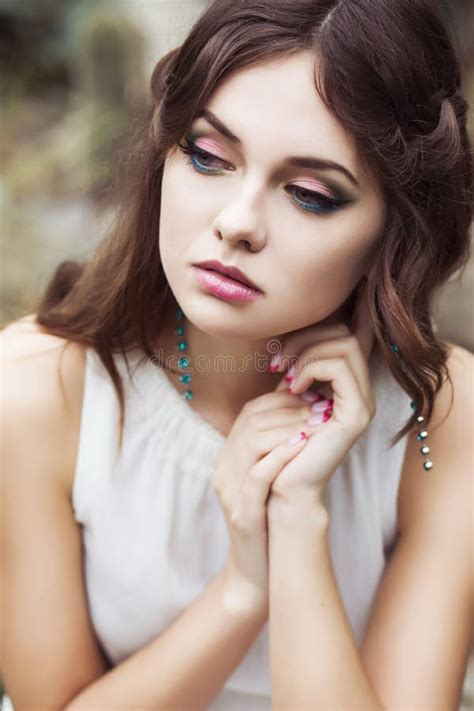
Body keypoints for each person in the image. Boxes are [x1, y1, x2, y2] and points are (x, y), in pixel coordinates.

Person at [1, 0, 473, 708]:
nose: (237, 222)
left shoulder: (447, 418)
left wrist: (297, 516)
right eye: (208, 156)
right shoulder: (41, 388)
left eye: (310, 194)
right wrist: (242, 590)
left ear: (393, 232)